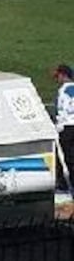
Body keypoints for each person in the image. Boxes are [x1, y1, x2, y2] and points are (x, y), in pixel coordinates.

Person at [54, 65, 74, 194]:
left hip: (67, 128)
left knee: (64, 157)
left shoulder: (63, 91)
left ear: (63, 75)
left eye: (58, 76)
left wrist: (58, 126)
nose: (57, 79)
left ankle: (64, 185)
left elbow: (62, 111)